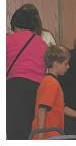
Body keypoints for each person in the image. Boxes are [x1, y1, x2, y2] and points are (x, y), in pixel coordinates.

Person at [6, 8, 47, 139]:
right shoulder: (42, 44)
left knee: (15, 132)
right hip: (38, 90)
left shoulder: (8, 41)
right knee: (32, 130)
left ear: (14, 24)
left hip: (14, 89)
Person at [31, 45, 70, 139]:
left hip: (51, 135)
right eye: (66, 64)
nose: (68, 67)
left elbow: (62, 109)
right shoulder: (51, 83)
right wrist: (41, 136)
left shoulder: (50, 81)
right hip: (48, 135)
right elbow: (42, 109)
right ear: (56, 64)